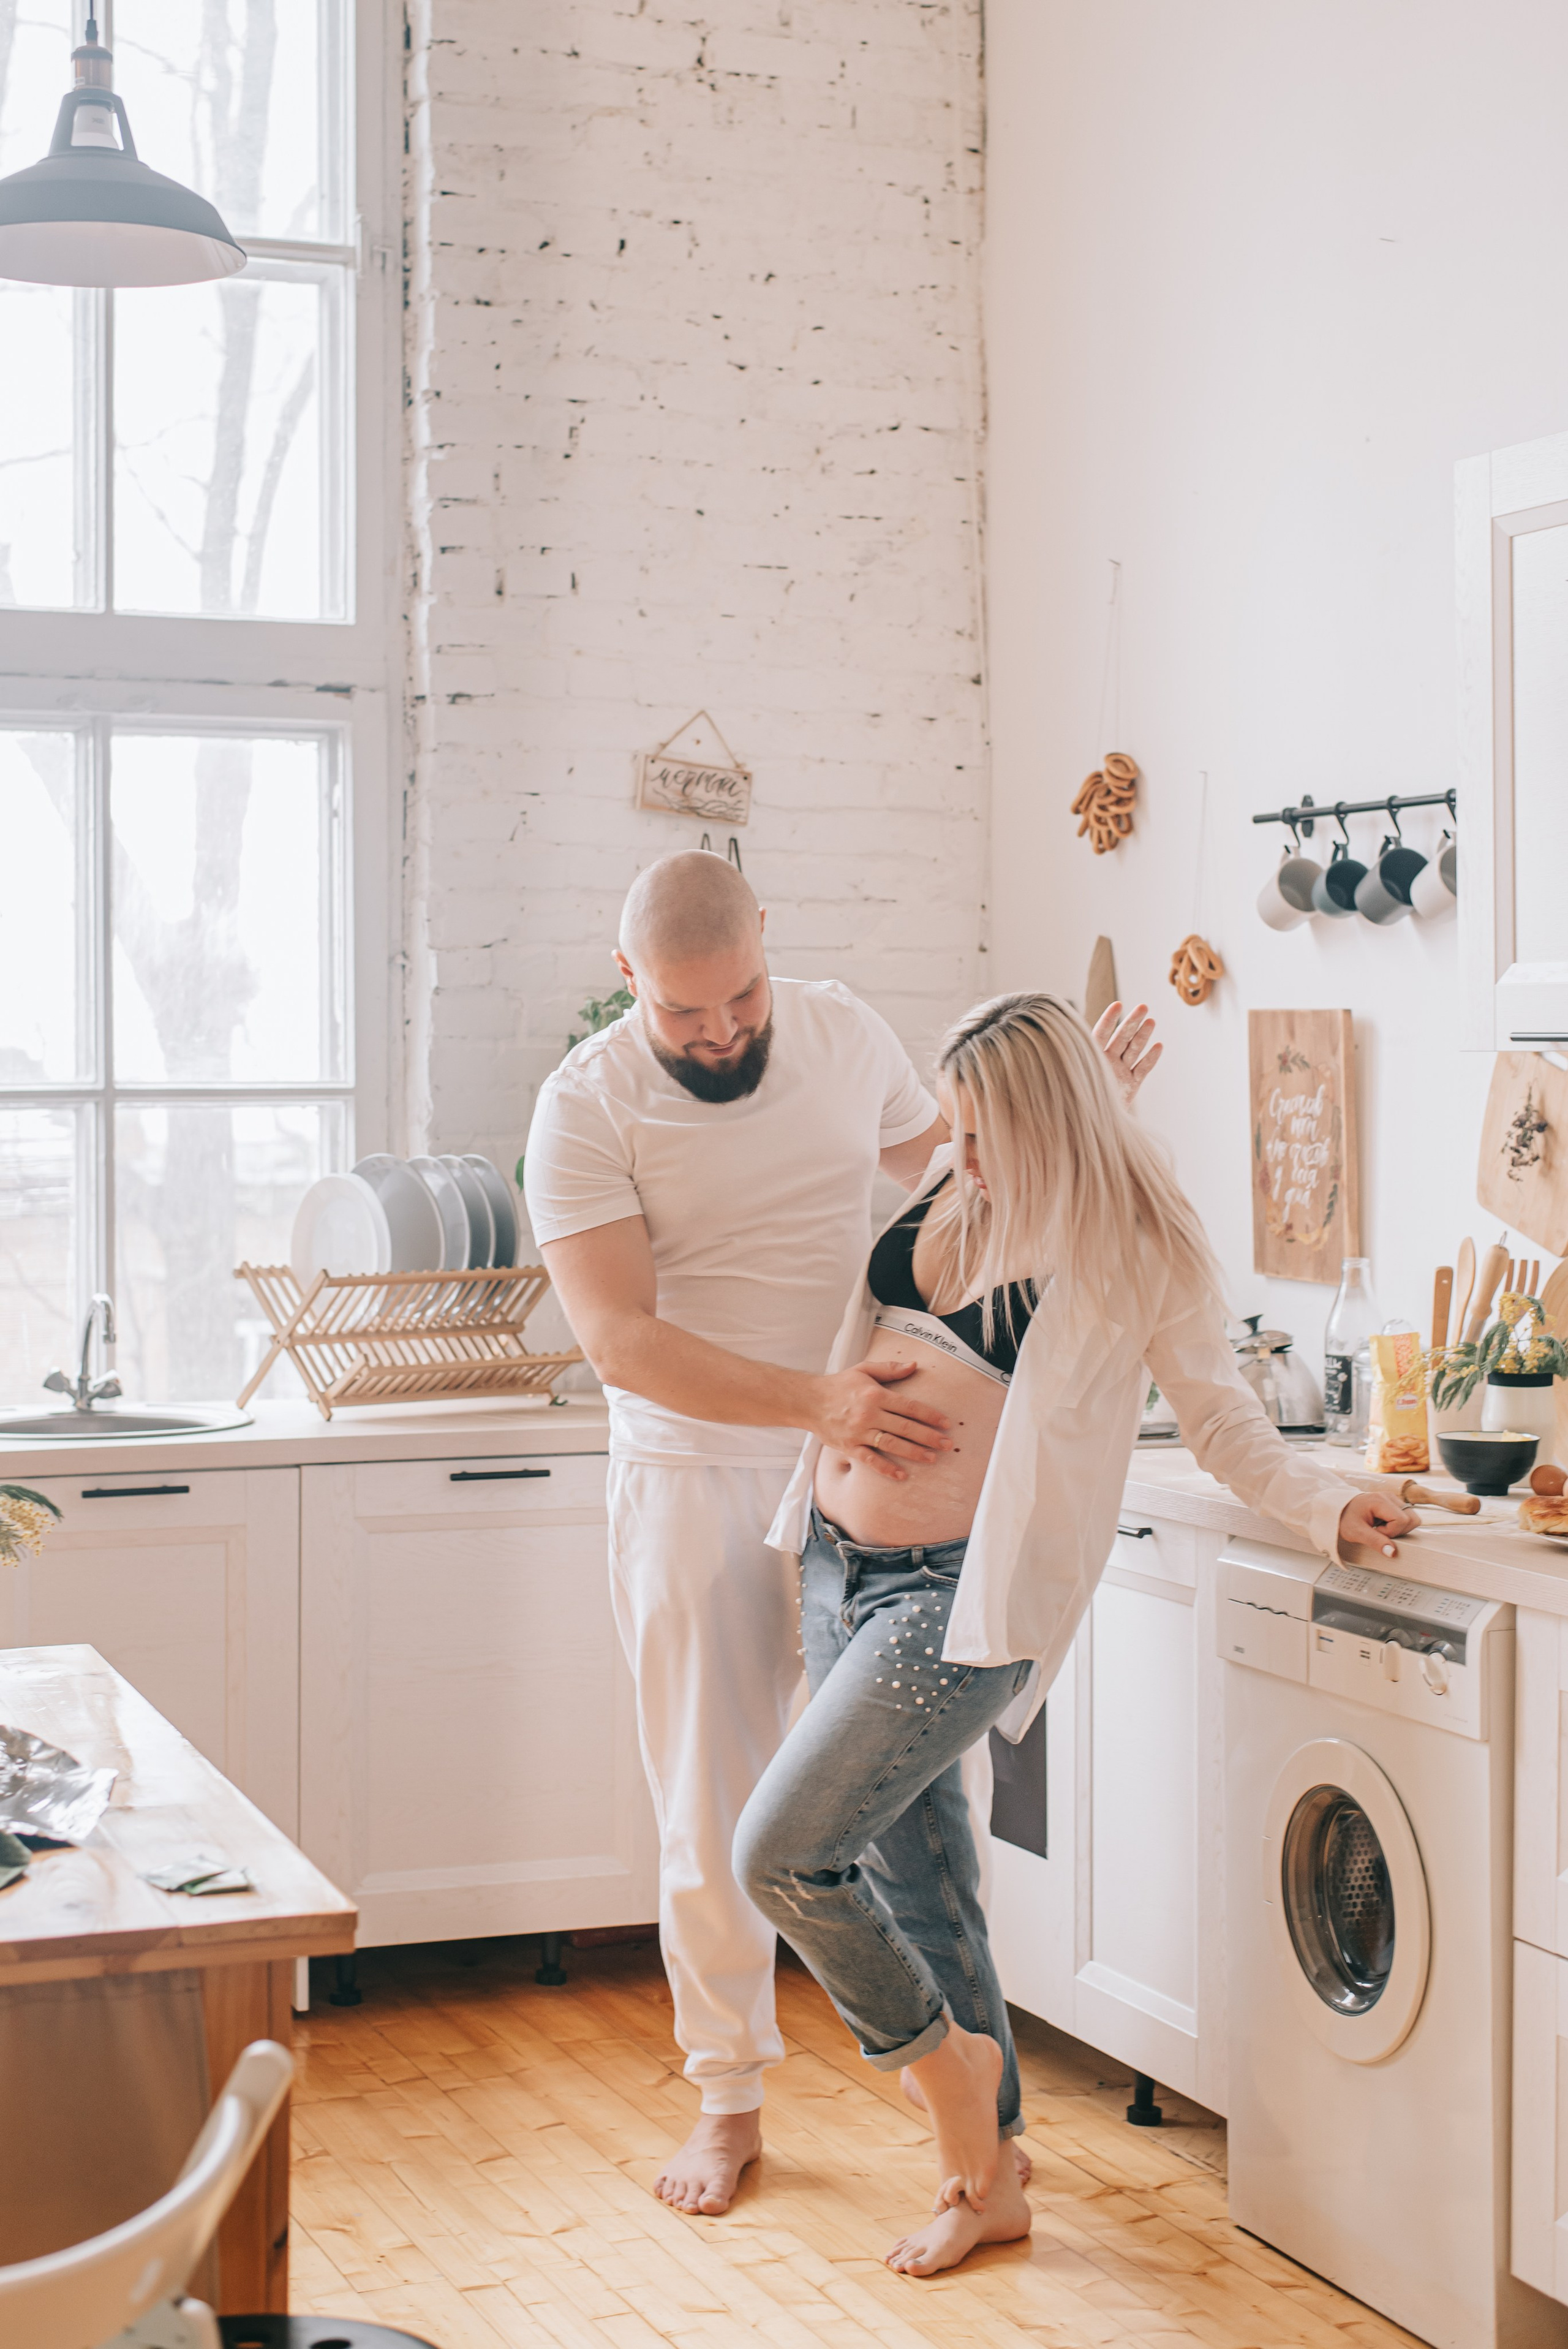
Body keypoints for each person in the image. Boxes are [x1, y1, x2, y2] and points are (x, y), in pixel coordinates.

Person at [733, 991, 1417, 2275]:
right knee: (916, 1883)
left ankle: (944, 2076)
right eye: (957, 1131)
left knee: (779, 1853)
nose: (961, 1158)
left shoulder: (1135, 1244)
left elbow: (1224, 1429)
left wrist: (1332, 1506)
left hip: (955, 1600)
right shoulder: (954, 1191)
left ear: (1048, 1127)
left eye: (988, 1135)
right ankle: (984, 2181)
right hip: (836, 1568)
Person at [524, 853, 1161, 2215]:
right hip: (696, 1474)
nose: (719, 1032)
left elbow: (954, 1164)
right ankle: (727, 2100)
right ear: (627, 978)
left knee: (905, 1825)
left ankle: (984, 2139)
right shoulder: (583, 1108)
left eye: (738, 996)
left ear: (766, 941)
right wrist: (820, 1405)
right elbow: (620, 1340)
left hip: (865, 1501)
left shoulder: (839, 1031)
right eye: (684, 1014)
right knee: (714, 1805)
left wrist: (1081, 1106)